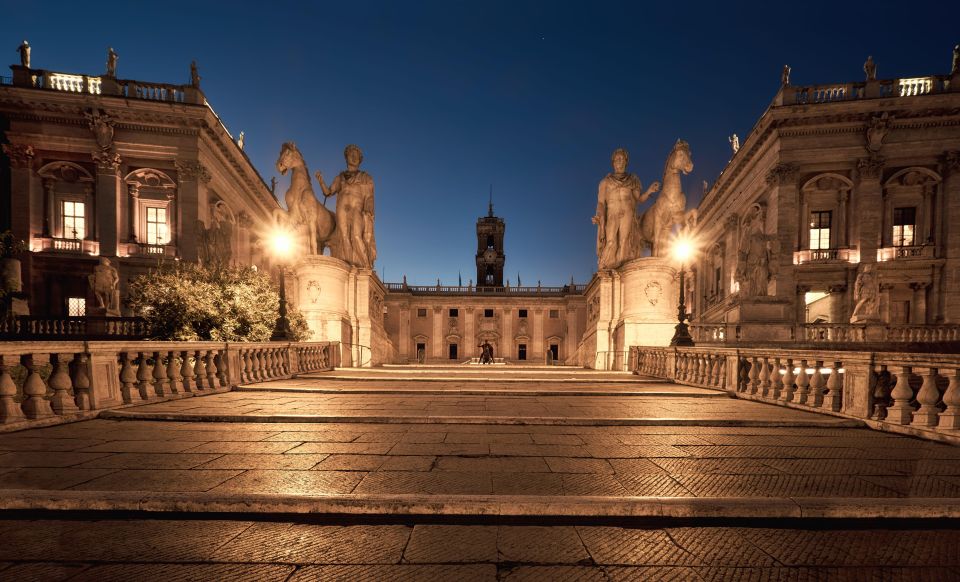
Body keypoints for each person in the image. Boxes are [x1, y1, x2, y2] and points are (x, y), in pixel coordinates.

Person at [593, 148, 659, 270]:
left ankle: (621, 273)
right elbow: (601, 204)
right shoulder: (605, 182)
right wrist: (601, 225)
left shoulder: (633, 179)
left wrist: (649, 191)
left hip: (627, 212)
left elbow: (639, 198)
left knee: (624, 242)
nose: (619, 161)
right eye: (617, 159)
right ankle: (604, 268)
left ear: (626, 162)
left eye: (622, 159)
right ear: (613, 162)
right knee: (611, 241)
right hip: (612, 213)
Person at [316, 145, 377, 268]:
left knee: (356, 235)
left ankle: (366, 266)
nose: (354, 157)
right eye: (351, 154)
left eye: (356, 155)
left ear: (360, 160)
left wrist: (368, 212)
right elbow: (328, 192)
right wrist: (321, 181)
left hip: (357, 208)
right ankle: (348, 266)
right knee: (343, 238)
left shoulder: (365, 177)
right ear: (346, 157)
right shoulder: (340, 177)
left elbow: (370, 197)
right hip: (342, 208)